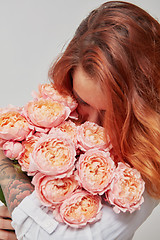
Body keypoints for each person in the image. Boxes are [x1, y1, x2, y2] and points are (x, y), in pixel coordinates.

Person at [0, 1, 160, 239]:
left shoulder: (150, 160)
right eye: (83, 101)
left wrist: (3, 165)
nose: (92, 123)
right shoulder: (59, 117)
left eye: (110, 111)